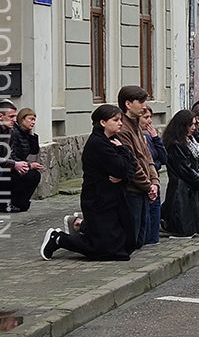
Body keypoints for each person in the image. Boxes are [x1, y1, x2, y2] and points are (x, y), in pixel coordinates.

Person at [40, 105, 136, 261]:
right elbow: (121, 169)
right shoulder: (98, 143)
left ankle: (81, 225)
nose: (120, 123)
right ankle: (58, 238)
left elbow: (131, 167)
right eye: (116, 120)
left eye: (121, 120)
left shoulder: (114, 141)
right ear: (103, 122)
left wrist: (124, 164)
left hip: (114, 198)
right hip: (98, 199)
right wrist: (124, 159)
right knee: (106, 250)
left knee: (124, 244)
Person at [114, 86, 158, 252]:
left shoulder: (137, 126)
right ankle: (81, 225)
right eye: (140, 102)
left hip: (144, 188)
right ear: (128, 104)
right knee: (131, 237)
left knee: (140, 237)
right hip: (132, 188)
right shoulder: (123, 129)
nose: (144, 106)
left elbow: (147, 157)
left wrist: (154, 181)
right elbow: (132, 162)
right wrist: (148, 185)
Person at [158, 109, 199, 238]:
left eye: (194, 125)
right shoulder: (175, 144)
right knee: (180, 213)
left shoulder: (189, 141)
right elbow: (184, 168)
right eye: (191, 125)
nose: (193, 128)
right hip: (180, 185)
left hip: (188, 185)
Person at [6, 108, 45, 213]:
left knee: (34, 175)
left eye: (34, 120)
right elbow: (11, 153)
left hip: (19, 163)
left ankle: (21, 202)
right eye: (31, 119)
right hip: (11, 165)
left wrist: (32, 135)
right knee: (31, 175)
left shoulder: (25, 133)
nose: (33, 122)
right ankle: (15, 202)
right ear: (22, 119)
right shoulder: (14, 132)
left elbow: (34, 150)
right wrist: (28, 165)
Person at [140, 108, 166, 244]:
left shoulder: (150, 136)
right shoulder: (136, 138)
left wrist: (156, 138)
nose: (149, 121)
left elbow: (163, 158)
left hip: (154, 181)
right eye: (145, 117)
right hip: (143, 183)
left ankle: (153, 241)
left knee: (155, 216)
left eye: (150, 117)